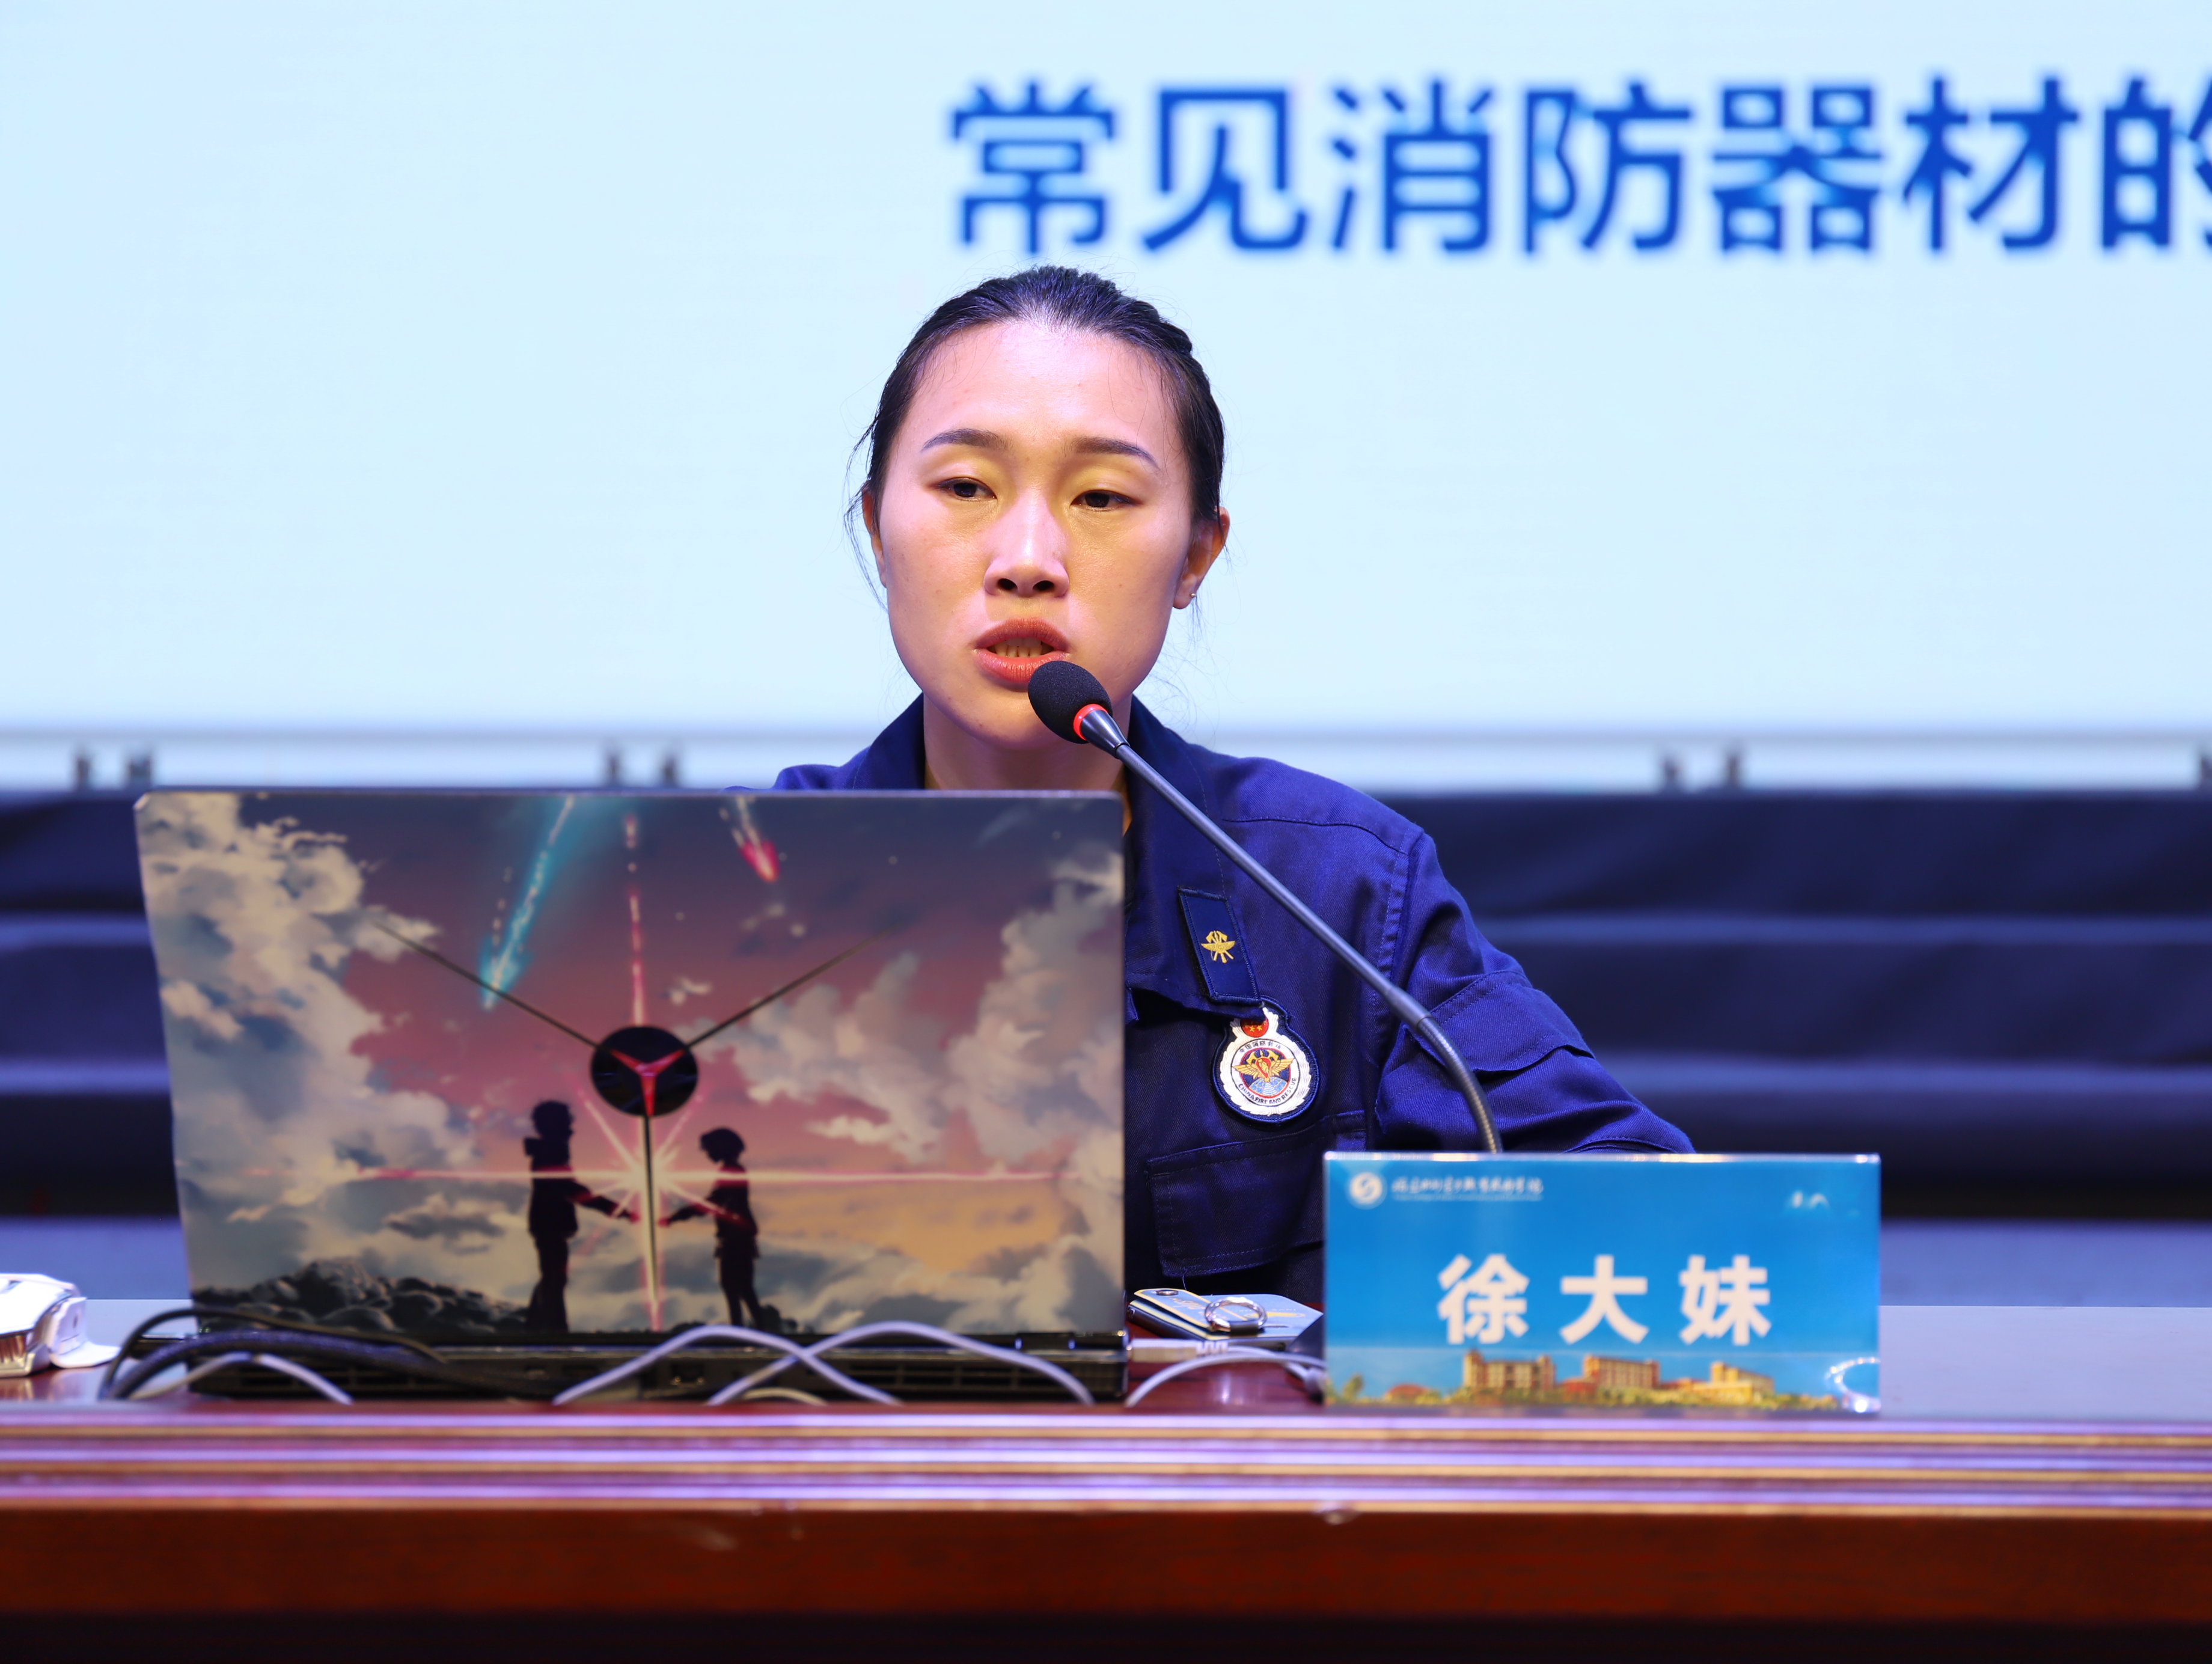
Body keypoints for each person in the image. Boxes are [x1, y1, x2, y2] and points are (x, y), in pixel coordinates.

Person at [775, 266, 1689, 1306]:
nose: (1027, 559)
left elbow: (1645, 1217)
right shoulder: (738, 888)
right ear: (877, 527)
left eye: (1102, 497)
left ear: (1195, 556)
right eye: (965, 487)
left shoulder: (1339, 893)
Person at [521, 1100, 632, 1332]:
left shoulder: (551, 1153)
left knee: (552, 1276)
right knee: (554, 1277)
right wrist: (612, 1208)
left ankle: (537, 1327)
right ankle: (554, 1330)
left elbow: (567, 1188)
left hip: (549, 1223)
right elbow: (568, 1188)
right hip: (550, 1223)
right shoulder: (551, 1153)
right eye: (566, 1123)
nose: (570, 1128)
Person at [662, 1128, 764, 1330]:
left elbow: (714, 1201)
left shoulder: (731, 1171)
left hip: (735, 1237)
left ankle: (744, 1331)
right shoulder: (733, 1170)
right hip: (737, 1236)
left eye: (709, 1149)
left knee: (735, 1287)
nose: (708, 1154)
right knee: (739, 1288)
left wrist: (678, 1216)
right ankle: (750, 1330)